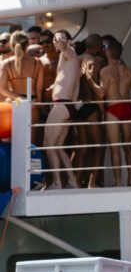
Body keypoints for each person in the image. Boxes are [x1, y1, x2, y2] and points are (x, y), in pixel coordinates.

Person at [84, 40, 131, 187]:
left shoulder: (105, 71)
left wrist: (89, 79)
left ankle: (118, 182)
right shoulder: (128, 70)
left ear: (109, 52)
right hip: (127, 107)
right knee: (128, 146)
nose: (102, 50)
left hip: (113, 108)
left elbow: (101, 93)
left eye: (104, 48)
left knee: (115, 148)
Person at [43, 30, 80, 189]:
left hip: (62, 104)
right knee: (57, 146)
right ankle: (72, 181)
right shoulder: (68, 59)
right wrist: (53, 86)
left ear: (69, 41)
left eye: (59, 39)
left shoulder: (69, 53)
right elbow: (68, 80)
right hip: (67, 105)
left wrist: (60, 39)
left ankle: (57, 182)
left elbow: (64, 47)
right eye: (55, 39)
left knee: (48, 144)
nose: (56, 41)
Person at [0, 31, 44, 144]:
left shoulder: (5, 63)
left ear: (12, 44)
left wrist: (21, 99)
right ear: (27, 44)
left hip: (14, 103)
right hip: (32, 105)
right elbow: (39, 90)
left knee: (11, 144)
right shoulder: (37, 63)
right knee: (30, 145)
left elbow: (2, 89)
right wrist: (34, 102)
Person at [76, 34, 105, 188]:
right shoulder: (95, 62)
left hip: (77, 106)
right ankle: (92, 183)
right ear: (99, 46)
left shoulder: (76, 59)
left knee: (83, 146)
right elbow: (95, 88)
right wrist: (102, 111)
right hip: (91, 105)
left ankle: (76, 180)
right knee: (100, 145)